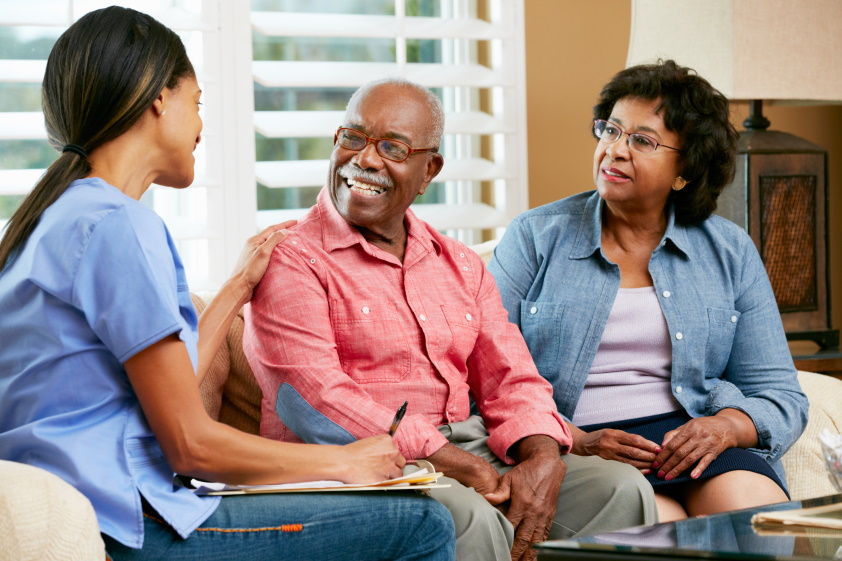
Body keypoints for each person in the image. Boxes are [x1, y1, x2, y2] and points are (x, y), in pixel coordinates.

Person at [0, 7, 455, 560]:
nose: (200, 125)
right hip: (131, 528)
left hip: (83, 508)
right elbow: (190, 445)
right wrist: (344, 460)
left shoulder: (55, 219)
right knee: (422, 524)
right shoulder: (119, 225)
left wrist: (239, 285)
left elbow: (167, 398)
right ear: (159, 99)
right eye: (198, 103)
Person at [243, 77, 657, 561]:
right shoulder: (292, 258)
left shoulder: (458, 263)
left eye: (393, 148)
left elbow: (512, 378)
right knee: (468, 514)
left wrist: (542, 455)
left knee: (618, 490)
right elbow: (313, 401)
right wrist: (458, 464)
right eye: (353, 138)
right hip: (360, 467)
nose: (366, 159)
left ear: (429, 169)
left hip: (467, 447)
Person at [487, 59, 809, 523]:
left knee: (756, 519)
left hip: (692, 441)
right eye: (611, 131)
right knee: (662, 529)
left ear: (685, 171)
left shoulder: (729, 250)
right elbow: (487, 374)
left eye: (642, 140)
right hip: (582, 444)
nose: (615, 150)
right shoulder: (535, 237)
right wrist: (572, 439)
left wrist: (727, 426)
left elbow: (779, 392)